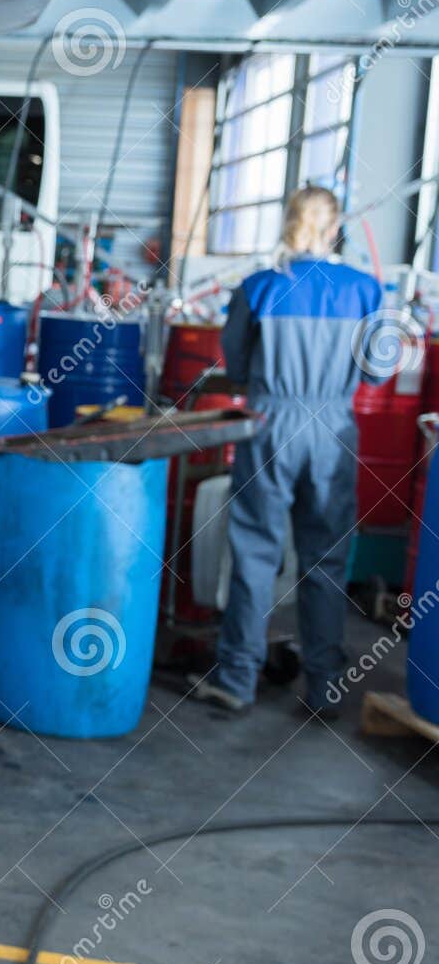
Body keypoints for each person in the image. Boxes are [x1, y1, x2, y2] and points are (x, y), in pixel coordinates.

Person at [189, 185, 384, 720]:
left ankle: (236, 680)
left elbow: (235, 365)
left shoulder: (259, 287)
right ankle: (325, 688)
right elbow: (376, 372)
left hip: (270, 424)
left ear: (288, 223)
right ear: (334, 228)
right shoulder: (365, 289)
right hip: (333, 430)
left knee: (255, 551)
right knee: (326, 558)